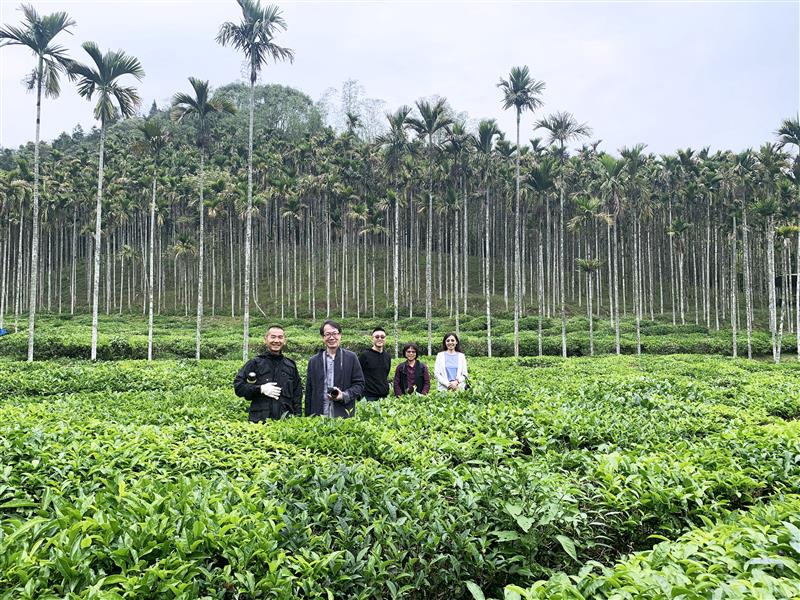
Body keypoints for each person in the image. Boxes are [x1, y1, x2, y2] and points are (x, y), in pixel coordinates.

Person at [233, 325, 302, 422]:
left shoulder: (290, 365)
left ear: (284, 340)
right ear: (266, 339)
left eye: (280, 337)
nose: (276, 341)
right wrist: (260, 389)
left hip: (285, 423)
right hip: (259, 423)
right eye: (273, 337)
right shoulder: (255, 363)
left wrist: (298, 419)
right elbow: (239, 387)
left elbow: (297, 395)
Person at [305, 319, 365, 418]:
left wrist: (344, 395)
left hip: (344, 415)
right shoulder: (314, 361)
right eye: (327, 334)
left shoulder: (351, 357)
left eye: (335, 333)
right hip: (319, 416)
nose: (331, 337)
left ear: (340, 335)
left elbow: (359, 384)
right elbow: (309, 392)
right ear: (323, 337)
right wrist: (308, 417)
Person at [358, 327, 392, 401]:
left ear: (385, 339)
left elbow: (385, 374)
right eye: (377, 337)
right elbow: (357, 374)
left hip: (384, 396)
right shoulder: (365, 355)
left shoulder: (387, 356)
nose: (380, 339)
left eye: (382, 337)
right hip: (368, 396)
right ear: (372, 339)